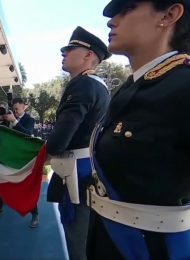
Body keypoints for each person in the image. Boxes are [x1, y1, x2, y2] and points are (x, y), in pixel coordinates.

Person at [87, 1, 190, 259]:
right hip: (110, 239)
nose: (112, 21)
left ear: (169, 15)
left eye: (128, 8)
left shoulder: (184, 86)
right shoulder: (132, 86)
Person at [45, 26, 111, 260]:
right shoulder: (99, 86)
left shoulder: (81, 85)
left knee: (77, 242)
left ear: (88, 55)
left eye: (70, 48)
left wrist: (46, 151)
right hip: (93, 170)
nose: (64, 53)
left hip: (76, 173)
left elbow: (61, 138)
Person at [0, 98, 40, 228]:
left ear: (24, 107)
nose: (15, 111)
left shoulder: (29, 120)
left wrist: (14, 121)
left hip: (21, 161)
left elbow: (28, 134)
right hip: (6, 159)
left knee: (26, 187)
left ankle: (35, 214)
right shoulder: (6, 118)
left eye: (17, 109)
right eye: (14, 109)